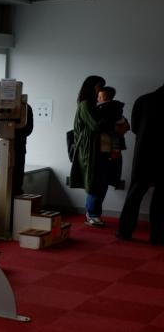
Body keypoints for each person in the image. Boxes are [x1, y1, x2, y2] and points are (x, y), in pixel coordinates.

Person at [117, 84, 164, 244]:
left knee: (134, 194)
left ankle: (124, 231)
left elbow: (135, 128)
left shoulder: (143, 100)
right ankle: (157, 236)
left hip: (144, 154)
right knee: (160, 199)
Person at [69, 75, 116, 227]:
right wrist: (111, 118)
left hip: (100, 149)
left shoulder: (92, 104)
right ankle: (92, 214)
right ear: (91, 87)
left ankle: (94, 213)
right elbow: (96, 126)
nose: (100, 90)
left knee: (101, 182)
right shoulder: (86, 104)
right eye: (99, 86)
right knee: (95, 182)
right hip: (91, 151)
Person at [0, 102, 34, 196]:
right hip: (14, 149)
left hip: (8, 149)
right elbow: (28, 129)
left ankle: (13, 207)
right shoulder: (25, 107)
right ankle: (14, 208)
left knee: (4, 185)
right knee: (12, 184)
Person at [96, 86, 128, 189]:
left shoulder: (108, 107)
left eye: (100, 96)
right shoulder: (112, 106)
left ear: (106, 96)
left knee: (116, 137)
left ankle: (116, 150)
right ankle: (116, 150)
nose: (98, 98)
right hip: (113, 132)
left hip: (112, 135)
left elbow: (117, 128)